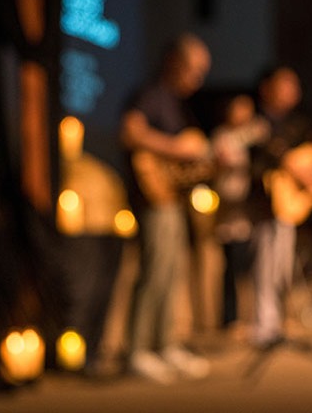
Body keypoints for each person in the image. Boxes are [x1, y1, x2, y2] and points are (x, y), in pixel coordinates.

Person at [120, 33, 212, 384]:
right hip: (151, 197)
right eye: (194, 69)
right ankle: (137, 351)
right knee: (154, 270)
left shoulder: (175, 102)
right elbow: (131, 134)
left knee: (172, 271)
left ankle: (164, 344)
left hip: (172, 198)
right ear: (174, 62)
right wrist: (178, 148)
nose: (198, 79)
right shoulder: (150, 94)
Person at [249, 66, 312, 347]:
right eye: (285, 84)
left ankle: (276, 324)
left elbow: (306, 158)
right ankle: (263, 326)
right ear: (267, 88)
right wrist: (296, 169)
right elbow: (265, 161)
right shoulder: (256, 120)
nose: (292, 91)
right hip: (262, 204)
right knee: (265, 265)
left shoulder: (296, 125)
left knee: (282, 266)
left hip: (285, 207)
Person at [211, 94, 269, 331]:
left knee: (248, 266)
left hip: (246, 214)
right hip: (226, 214)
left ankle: (250, 317)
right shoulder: (222, 137)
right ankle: (229, 318)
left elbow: (262, 131)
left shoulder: (250, 135)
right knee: (230, 269)